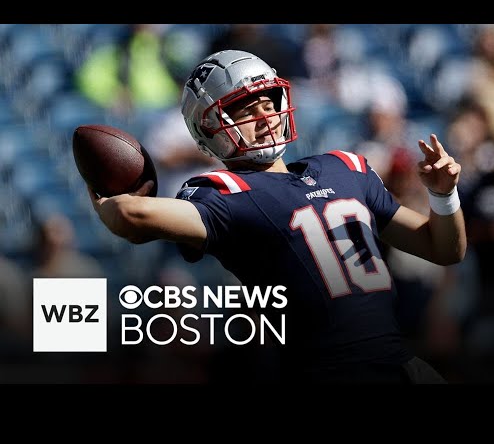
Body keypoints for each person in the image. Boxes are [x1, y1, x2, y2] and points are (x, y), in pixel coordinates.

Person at [88, 49, 467, 384]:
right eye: (247, 109)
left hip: (401, 366)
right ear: (209, 126)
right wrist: (103, 192)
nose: (266, 116)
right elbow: (130, 216)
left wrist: (443, 194)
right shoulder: (227, 194)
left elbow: (443, 248)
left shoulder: (346, 167)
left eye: (269, 103)